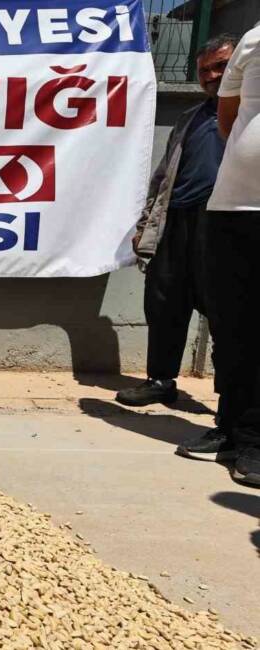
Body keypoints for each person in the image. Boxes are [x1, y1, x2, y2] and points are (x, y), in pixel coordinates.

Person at [118, 35, 237, 407]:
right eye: (205, 70)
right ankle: (160, 380)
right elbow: (163, 175)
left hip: (225, 224)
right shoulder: (191, 117)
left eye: (221, 66)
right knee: (164, 301)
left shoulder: (250, 115)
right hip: (177, 221)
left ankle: (232, 396)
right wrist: (146, 225)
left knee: (227, 310)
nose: (212, 75)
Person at [176, 22, 260, 488]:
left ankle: (254, 440)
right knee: (232, 329)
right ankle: (230, 428)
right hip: (232, 207)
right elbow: (229, 120)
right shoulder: (252, 40)